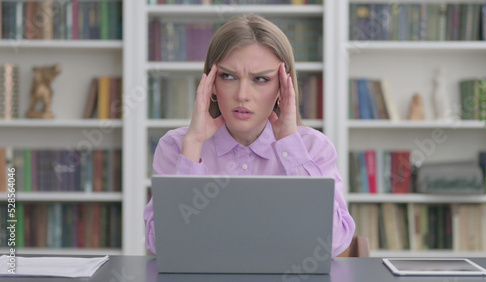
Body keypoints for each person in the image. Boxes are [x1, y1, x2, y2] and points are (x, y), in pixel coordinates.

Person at [143, 14, 355, 257]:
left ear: (282, 89)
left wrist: (291, 147)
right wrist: (192, 147)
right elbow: (161, 246)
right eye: (229, 76)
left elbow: (334, 243)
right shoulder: (176, 146)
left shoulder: (314, 147)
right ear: (211, 83)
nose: (242, 94)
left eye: (261, 79)